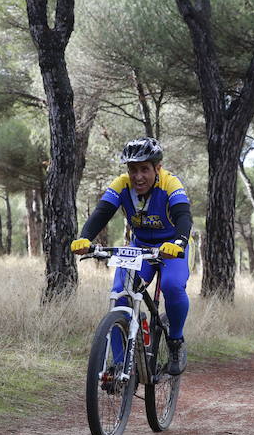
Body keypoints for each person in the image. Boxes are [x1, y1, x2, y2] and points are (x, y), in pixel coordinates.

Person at [71, 137, 192, 375]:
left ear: (157, 168)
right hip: (139, 246)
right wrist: (85, 237)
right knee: (120, 296)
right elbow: (102, 212)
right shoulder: (121, 185)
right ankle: (119, 366)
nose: (138, 177)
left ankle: (175, 342)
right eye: (133, 169)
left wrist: (178, 242)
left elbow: (183, 215)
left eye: (144, 169)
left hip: (172, 247)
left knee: (171, 286)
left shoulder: (170, 183)